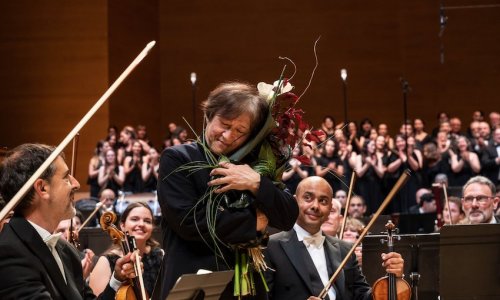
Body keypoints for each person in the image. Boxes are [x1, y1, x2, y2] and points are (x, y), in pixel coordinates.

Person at [156, 82, 298, 299]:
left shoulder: (254, 165)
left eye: (240, 131)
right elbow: (190, 222)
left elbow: (288, 216)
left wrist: (257, 183)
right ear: (209, 115)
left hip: (246, 290)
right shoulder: (178, 158)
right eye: (224, 124)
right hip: (194, 287)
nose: (228, 136)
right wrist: (254, 222)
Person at [0, 143, 137, 299]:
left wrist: (116, 280)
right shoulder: (8, 252)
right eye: (66, 177)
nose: (76, 184)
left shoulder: (65, 249)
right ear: (42, 188)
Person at [264, 176, 404, 300]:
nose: (315, 206)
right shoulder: (270, 247)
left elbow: (363, 296)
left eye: (323, 201)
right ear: (294, 201)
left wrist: (394, 280)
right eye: (308, 198)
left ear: (330, 208)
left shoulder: (345, 249)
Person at [89, 202, 163, 296]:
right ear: (122, 225)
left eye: (147, 221)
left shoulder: (159, 255)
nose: (141, 224)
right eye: (134, 219)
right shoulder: (105, 262)